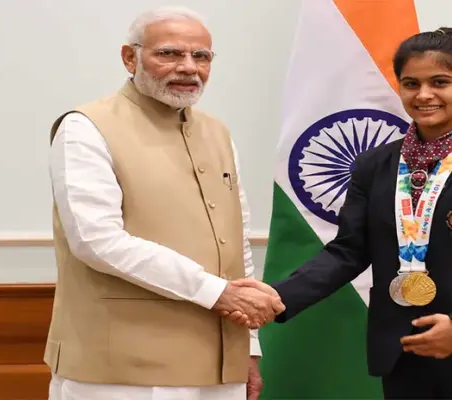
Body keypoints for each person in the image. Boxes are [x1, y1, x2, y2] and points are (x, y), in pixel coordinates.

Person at [227, 27, 452, 399]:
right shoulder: (374, 165)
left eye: (440, 82)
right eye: (411, 83)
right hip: (402, 357)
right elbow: (348, 252)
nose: (424, 95)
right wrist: (279, 297)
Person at [44, 6, 283, 400]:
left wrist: (249, 347)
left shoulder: (217, 132)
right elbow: (96, 241)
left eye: (201, 56)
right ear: (129, 57)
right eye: (169, 54)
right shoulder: (85, 126)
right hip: (119, 368)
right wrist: (216, 292)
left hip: (219, 365)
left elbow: (235, 245)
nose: (189, 67)